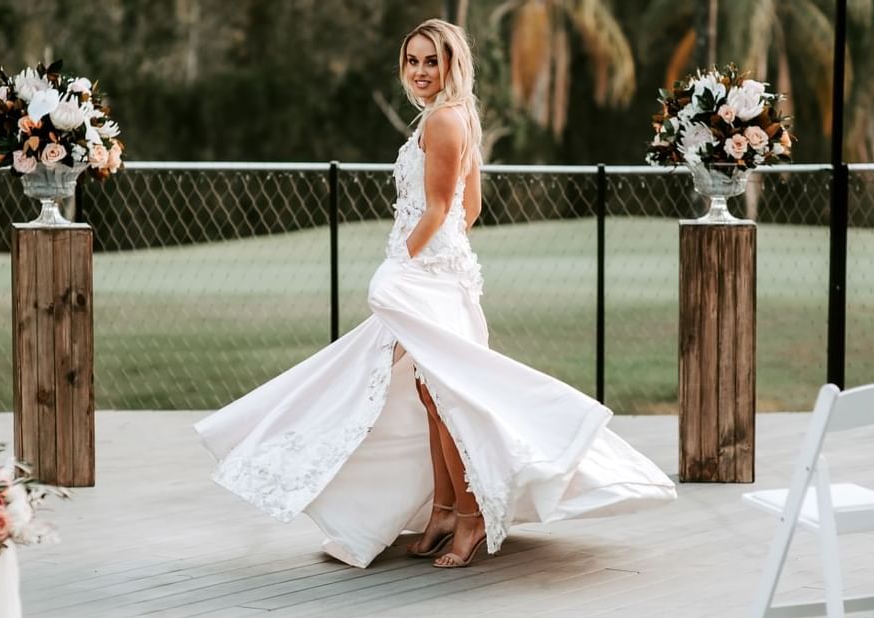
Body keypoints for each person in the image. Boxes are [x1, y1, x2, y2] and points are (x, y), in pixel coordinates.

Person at [195, 18, 676, 570]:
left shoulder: (445, 121)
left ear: (452, 65)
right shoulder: (451, 116)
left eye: (432, 61)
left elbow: (443, 209)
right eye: (413, 61)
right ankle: (443, 510)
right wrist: (443, 254)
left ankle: (470, 518)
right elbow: (470, 207)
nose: (420, 72)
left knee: (450, 400)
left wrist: (404, 264)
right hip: (440, 271)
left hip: (426, 276)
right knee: (432, 397)